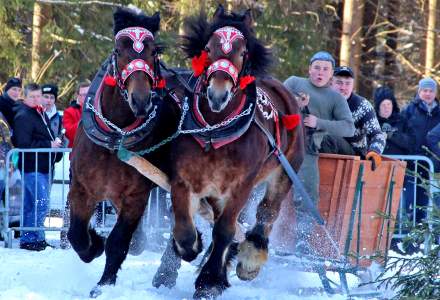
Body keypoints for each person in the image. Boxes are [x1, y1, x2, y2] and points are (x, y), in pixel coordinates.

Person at [284, 51, 355, 253]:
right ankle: (247, 230)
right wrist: (294, 104)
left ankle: (302, 241)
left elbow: (348, 128)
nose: (320, 72)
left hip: (307, 150)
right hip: (280, 144)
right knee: (258, 183)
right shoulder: (294, 83)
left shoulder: (335, 97)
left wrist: (319, 123)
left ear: (331, 73)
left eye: (325, 69)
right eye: (316, 67)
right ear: (309, 69)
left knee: (307, 194)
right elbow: (272, 103)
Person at [12, 83, 62, 251]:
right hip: (32, 167)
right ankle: (31, 239)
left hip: (41, 166)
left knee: (32, 204)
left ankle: (34, 237)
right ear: (25, 97)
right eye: (32, 96)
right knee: (41, 203)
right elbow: (23, 144)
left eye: (38, 96)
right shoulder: (23, 115)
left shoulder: (38, 112)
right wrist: (49, 144)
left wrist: (54, 145)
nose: (36, 99)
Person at [323, 66, 386, 169]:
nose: (343, 87)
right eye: (339, 83)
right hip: (324, 148)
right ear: (331, 84)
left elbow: (377, 134)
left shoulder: (362, 105)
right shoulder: (322, 101)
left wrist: (374, 152)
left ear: (352, 86)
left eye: (347, 84)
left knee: (327, 138)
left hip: (354, 155)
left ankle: (326, 171)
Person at [401, 77, 440, 224]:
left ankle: (423, 234)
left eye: (431, 91)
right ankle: (405, 233)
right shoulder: (409, 110)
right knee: (409, 199)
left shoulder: (439, 112)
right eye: (425, 90)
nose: (428, 94)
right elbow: (402, 132)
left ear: (435, 93)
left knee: (426, 201)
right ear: (419, 91)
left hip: (432, 164)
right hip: (413, 163)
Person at [63, 82, 89, 149]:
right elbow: (69, 134)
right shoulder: (69, 112)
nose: (87, 97)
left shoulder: (98, 110)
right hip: (77, 151)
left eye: (88, 94)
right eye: (83, 95)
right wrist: (85, 119)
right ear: (78, 96)